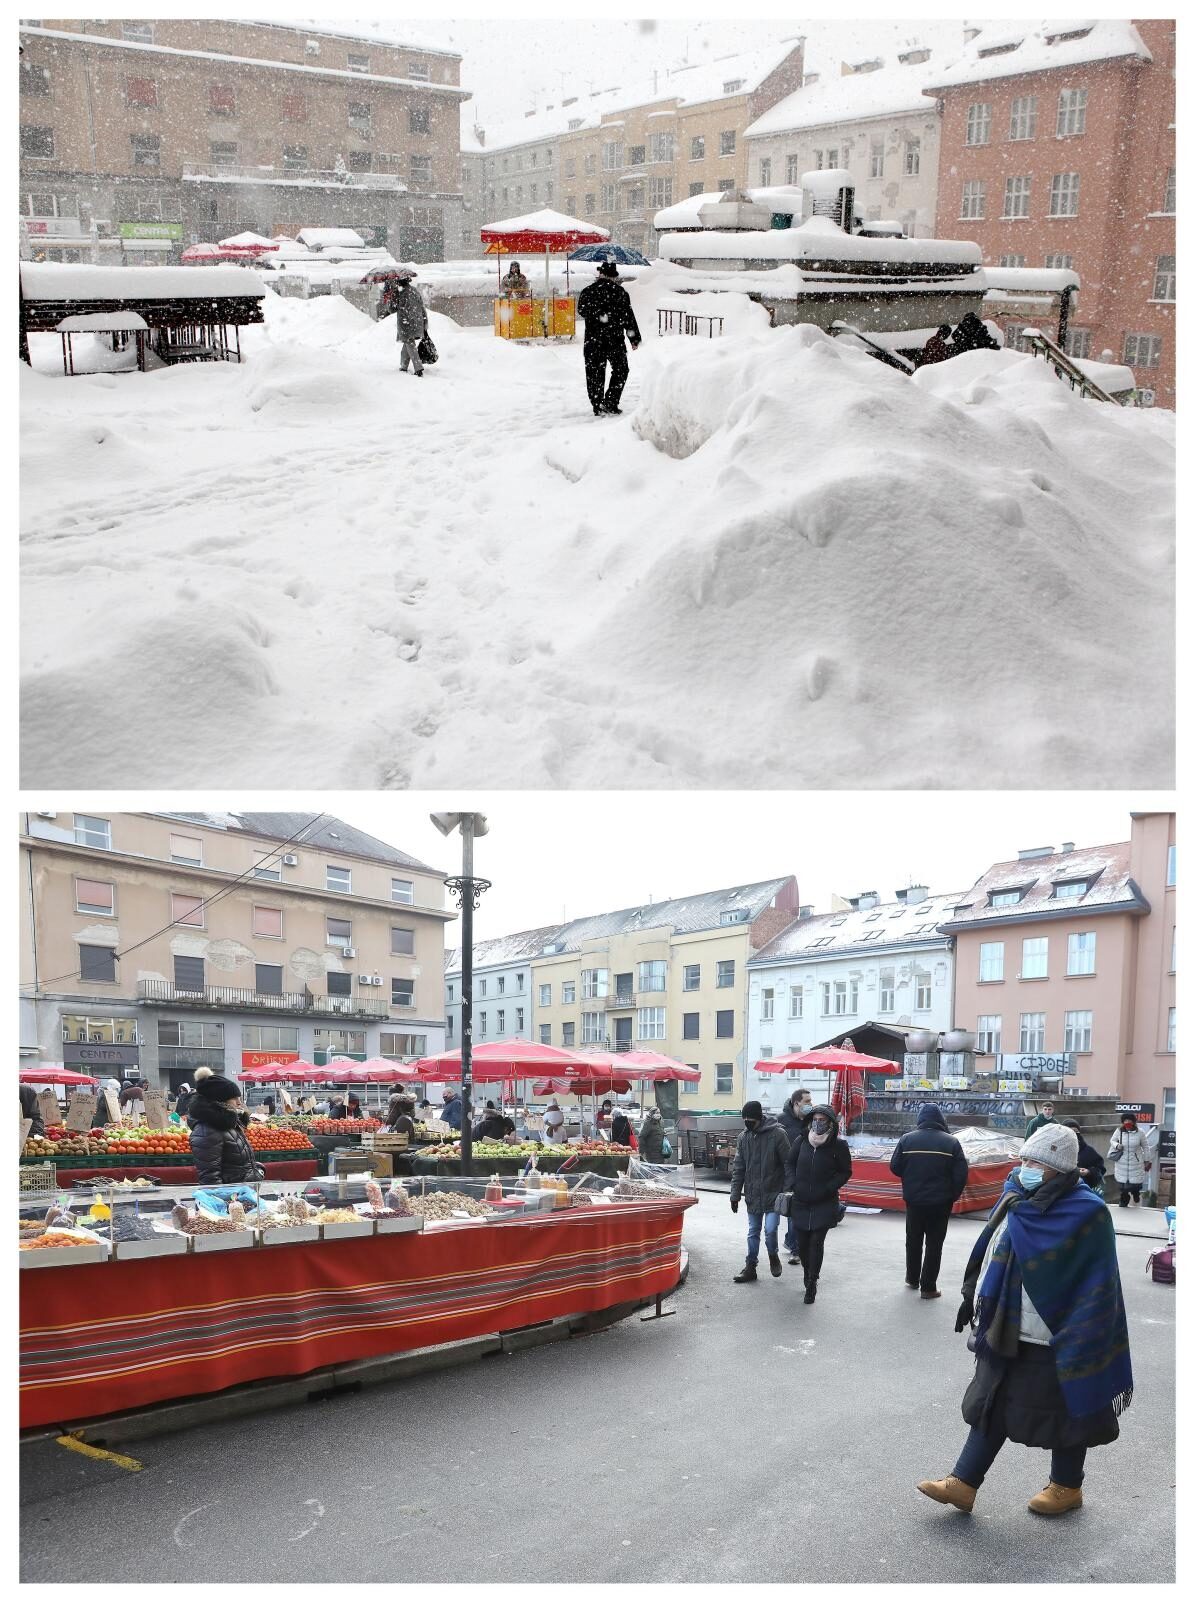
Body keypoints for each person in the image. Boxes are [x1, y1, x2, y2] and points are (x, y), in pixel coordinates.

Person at [917, 1122, 1133, 1518]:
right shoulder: (1015, 1195)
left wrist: (1077, 1331)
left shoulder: (1088, 1211)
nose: (1025, 1168)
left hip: (1058, 1333)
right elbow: (994, 1250)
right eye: (1024, 1160)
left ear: (1060, 1168)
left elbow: (1097, 1281)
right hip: (1006, 1324)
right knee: (992, 1401)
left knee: (1068, 1409)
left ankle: (1067, 1486)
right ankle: (963, 1483)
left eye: (1036, 1163)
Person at [889, 1102, 969, 1298]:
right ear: (940, 1119)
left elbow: (895, 1166)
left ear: (920, 1119)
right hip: (940, 1203)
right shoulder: (951, 1142)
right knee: (934, 1244)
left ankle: (912, 1279)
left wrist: (911, 1178)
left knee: (913, 1240)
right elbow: (961, 1174)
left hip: (914, 1201)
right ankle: (928, 1288)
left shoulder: (907, 1139)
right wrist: (951, 1195)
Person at [784, 1104, 852, 1303]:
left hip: (824, 1202)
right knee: (803, 1245)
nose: (818, 1123)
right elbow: (789, 1163)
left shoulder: (838, 1146)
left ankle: (812, 1281)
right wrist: (793, 1183)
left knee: (816, 1243)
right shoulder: (801, 1141)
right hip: (801, 1201)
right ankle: (807, 1271)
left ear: (830, 1123)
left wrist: (829, 1187)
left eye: (822, 1120)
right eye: (815, 1119)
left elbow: (845, 1172)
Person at [729, 1100, 790, 1284]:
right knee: (753, 1231)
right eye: (744, 1120)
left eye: (751, 1120)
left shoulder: (778, 1135)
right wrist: (734, 1195)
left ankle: (773, 1255)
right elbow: (738, 1168)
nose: (747, 1123)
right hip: (753, 1195)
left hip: (774, 1194)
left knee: (770, 1230)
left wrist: (787, 1191)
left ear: (759, 1118)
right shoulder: (743, 1138)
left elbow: (788, 1165)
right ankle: (750, 1267)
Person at [576, 259, 641, 417]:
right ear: (613, 276)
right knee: (621, 370)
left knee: (594, 373)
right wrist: (634, 338)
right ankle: (611, 401)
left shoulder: (588, 291)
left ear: (600, 273)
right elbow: (628, 317)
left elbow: (581, 310)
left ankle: (597, 404)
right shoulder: (620, 292)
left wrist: (598, 315)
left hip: (593, 340)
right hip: (615, 340)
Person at [188, 1076, 265, 1186]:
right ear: (220, 1100)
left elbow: (235, 1164)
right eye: (234, 1098)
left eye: (239, 1098)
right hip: (232, 1195)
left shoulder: (230, 1124)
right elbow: (210, 1179)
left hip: (244, 1192)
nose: (239, 1102)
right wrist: (226, 1197)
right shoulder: (207, 1130)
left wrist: (257, 1170)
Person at [778, 1090, 815, 1262]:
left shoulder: (811, 1121)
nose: (810, 1104)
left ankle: (792, 1241)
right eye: (807, 1101)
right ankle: (796, 1250)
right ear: (796, 1103)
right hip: (789, 1174)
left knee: (801, 1213)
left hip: (808, 1173)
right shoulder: (781, 1121)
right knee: (794, 1211)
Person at [1107, 1114, 1152, 1207]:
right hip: (1122, 1162)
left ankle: (1136, 1193)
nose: (1127, 1122)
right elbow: (1112, 1140)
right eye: (1125, 1120)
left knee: (1135, 1182)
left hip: (1136, 1162)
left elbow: (1146, 1147)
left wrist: (1147, 1159)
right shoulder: (1119, 1131)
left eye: (1129, 1120)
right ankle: (1124, 1199)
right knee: (1123, 1184)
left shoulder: (1140, 1132)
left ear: (1133, 1122)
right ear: (1123, 1122)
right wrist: (1117, 1145)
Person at [392, 264, 428, 377]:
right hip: (417, 322)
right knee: (408, 343)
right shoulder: (414, 291)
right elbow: (421, 306)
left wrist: (392, 295)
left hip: (406, 324)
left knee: (409, 343)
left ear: (400, 282)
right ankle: (403, 366)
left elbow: (392, 309)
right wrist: (425, 321)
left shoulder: (401, 294)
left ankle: (418, 368)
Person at [1061, 1118, 1106, 1196]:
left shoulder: (1089, 1151)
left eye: (1075, 1131)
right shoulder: (1057, 1151)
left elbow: (1100, 1169)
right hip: (1062, 1193)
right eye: (1069, 1131)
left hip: (1084, 1193)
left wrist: (1088, 1172)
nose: (1073, 1134)